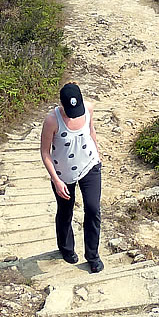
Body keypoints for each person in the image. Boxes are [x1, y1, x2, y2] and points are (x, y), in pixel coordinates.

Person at [40, 82, 104, 272]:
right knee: (65, 211)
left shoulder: (89, 109)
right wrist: (56, 180)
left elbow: (91, 131)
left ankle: (93, 256)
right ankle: (66, 248)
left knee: (93, 210)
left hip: (89, 166)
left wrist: (98, 156)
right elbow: (45, 152)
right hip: (63, 173)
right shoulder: (52, 120)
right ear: (61, 104)